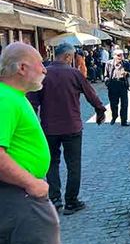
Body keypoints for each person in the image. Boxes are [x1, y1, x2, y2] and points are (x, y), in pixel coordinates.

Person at [0, 42, 63, 244]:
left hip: (17, 195)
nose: (45, 69)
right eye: (40, 64)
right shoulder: (5, 98)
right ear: (22, 68)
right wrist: (31, 183)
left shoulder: (13, 96)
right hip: (19, 195)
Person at [27, 43, 106, 214]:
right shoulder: (74, 74)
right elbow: (91, 94)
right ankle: (71, 201)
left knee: (52, 163)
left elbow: (32, 102)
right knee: (73, 164)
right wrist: (100, 111)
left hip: (49, 128)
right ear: (68, 57)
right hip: (72, 127)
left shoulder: (44, 74)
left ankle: (55, 200)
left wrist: (33, 126)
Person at [104, 49, 130, 126]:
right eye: (118, 55)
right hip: (113, 85)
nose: (120, 57)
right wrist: (107, 83)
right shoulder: (109, 63)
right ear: (114, 56)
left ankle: (124, 121)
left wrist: (126, 74)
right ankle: (114, 116)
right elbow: (106, 75)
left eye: (121, 55)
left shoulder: (126, 63)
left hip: (123, 84)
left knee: (124, 104)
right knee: (113, 104)